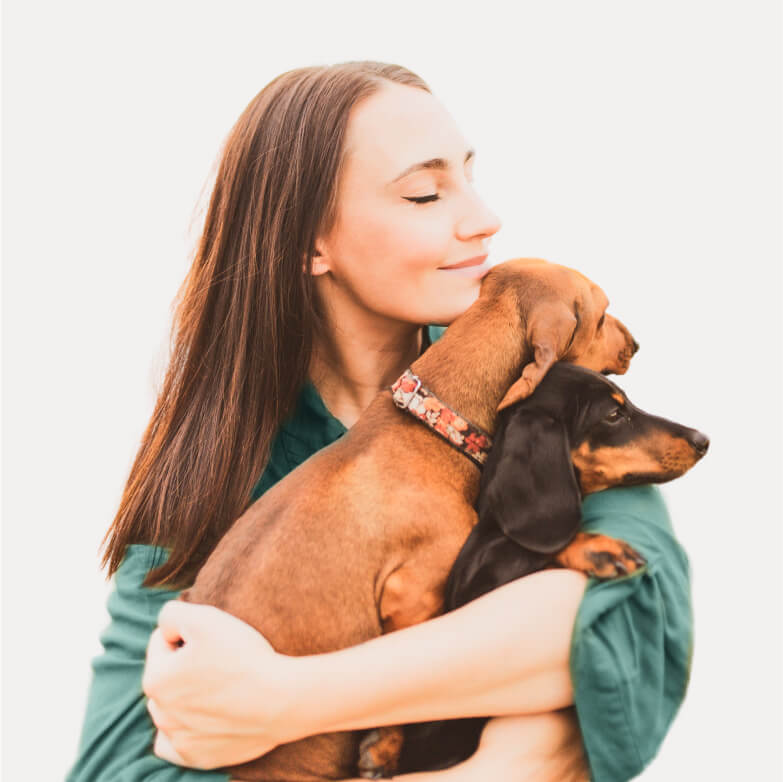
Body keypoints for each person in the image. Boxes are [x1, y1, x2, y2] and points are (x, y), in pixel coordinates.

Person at [66, 61, 693, 782]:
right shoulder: (212, 466)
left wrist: (278, 697)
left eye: (469, 175)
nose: (484, 218)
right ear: (310, 244)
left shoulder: (541, 390)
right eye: (424, 193)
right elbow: (114, 768)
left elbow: (625, 613)